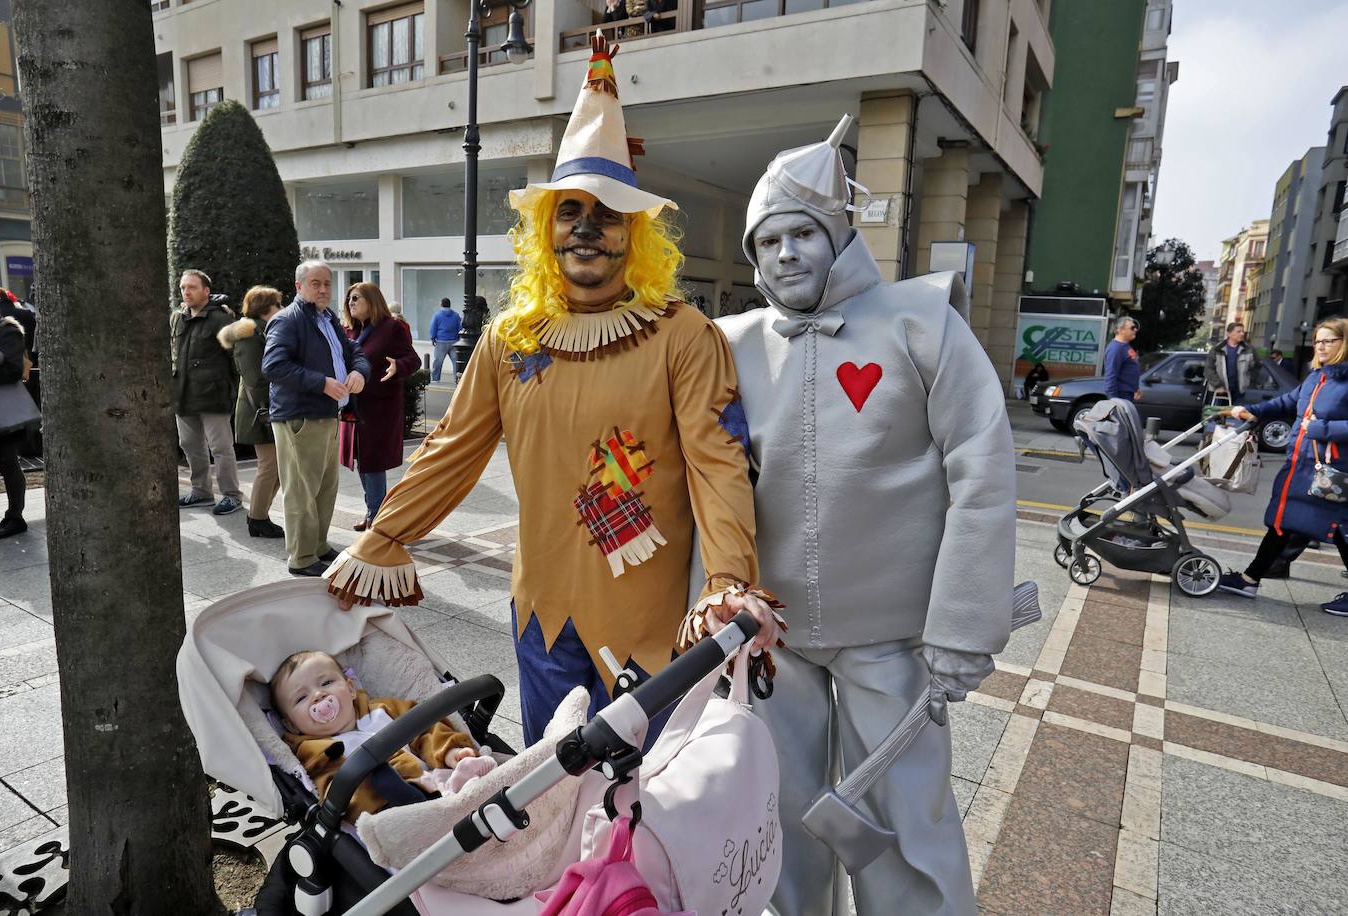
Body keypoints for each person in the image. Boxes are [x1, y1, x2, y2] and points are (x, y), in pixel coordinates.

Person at [323, 38, 779, 748]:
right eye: (570, 212)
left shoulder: (686, 335)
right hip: (541, 617)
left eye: (607, 213)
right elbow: (452, 450)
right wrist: (383, 538)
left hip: (651, 622)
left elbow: (718, 464)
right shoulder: (511, 338)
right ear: (548, 231)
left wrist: (728, 583)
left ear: (635, 235)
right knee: (552, 790)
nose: (587, 227)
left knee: (644, 802)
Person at [716, 118, 1016, 915]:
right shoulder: (728, 344)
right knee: (777, 807)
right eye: (768, 240)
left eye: (804, 233)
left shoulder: (925, 324)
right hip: (769, 638)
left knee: (904, 814)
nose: (786, 254)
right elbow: (705, 477)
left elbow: (982, 472)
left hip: (891, 635)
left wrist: (964, 624)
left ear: (840, 236)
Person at [1218, 318, 1348, 616]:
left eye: (1330, 340)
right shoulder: (1318, 377)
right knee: (1285, 520)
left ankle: (1251, 578)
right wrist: (1252, 411)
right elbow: (1289, 402)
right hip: (1302, 465)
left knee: (1339, 527)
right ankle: (1250, 579)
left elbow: (1321, 423)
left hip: (1332, 470)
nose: (1322, 346)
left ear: (1345, 343)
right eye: (1318, 341)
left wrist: (1324, 429)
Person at [271, 650, 496, 820]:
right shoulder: (316, 755)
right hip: (391, 808)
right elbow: (336, 794)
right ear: (290, 724)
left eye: (327, 683)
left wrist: (449, 751)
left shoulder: (383, 710)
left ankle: (468, 776)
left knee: (460, 772)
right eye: (301, 698)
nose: (319, 695)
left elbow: (426, 728)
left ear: (350, 689)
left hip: (434, 779)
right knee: (372, 785)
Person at [262, 260, 371, 577]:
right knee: (301, 490)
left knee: (324, 487)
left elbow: (353, 350)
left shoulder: (327, 318)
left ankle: (318, 546)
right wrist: (321, 382)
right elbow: (273, 366)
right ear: (298, 286)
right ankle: (301, 557)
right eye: (315, 283)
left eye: (327, 283)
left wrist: (359, 372)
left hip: (326, 415)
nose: (323, 289)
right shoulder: (287, 321)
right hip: (300, 417)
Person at [339, 282, 421, 530]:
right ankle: (372, 512)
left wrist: (398, 365)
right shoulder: (349, 331)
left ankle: (377, 516)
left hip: (379, 408)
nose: (351, 303)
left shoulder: (391, 328)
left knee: (372, 462)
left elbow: (413, 359)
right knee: (361, 460)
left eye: (356, 298)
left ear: (372, 301)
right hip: (353, 406)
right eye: (349, 299)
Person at [172, 269, 244, 516]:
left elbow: (236, 359)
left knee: (221, 447)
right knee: (190, 445)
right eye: (183, 287)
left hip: (213, 395)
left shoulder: (221, 319)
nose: (186, 291)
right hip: (183, 394)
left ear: (206, 291)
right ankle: (201, 491)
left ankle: (231, 495)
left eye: (192, 287)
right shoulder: (178, 318)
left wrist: (231, 391)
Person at [217, 286, 285, 539]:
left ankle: (259, 514)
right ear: (266, 307)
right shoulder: (249, 334)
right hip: (260, 411)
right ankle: (257, 519)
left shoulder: (261, 331)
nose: (280, 309)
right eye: (277, 304)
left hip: (265, 409)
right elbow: (256, 379)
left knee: (276, 468)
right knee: (269, 467)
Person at [0, 280, 39, 539]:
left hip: (5, 411)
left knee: (7, 461)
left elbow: (12, 370)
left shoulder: (6, 328)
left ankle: (15, 517)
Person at [1205, 321, 1258, 406]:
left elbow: (1257, 367)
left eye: (1243, 331)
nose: (1242, 334)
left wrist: (1250, 383)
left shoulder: (1249, 350)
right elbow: (1208, 369)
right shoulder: (1217, 349)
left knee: (1236, 417)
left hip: (1240, 392)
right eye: (1238, 331)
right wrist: (1218, 385)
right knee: (1218, 416)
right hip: (1220, 392)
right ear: (1229, 334)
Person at [1103, 316, 1142, 402]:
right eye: (1132, 328)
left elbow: (1128, 369)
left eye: (1135, 327)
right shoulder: (1115, 349)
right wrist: (1114, 401)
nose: (1135, 330)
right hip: (1120, 395)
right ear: (1120, 330)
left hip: (1127, 393)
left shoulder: (1125, 346)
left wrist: (1135, 387)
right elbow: (1111, 376)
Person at [428, 298, 462, 384]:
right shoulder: (456, 315)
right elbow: (460, 328)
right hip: (454, 342)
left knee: (438, 362)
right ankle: (457, 379)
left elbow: (433, 327)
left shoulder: (437, 315)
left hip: (441, 342)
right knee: (456, 362)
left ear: (441, 304)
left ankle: (435, 379)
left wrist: (432, 338)